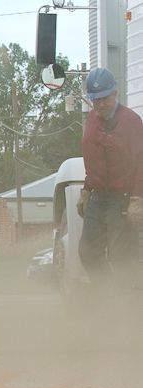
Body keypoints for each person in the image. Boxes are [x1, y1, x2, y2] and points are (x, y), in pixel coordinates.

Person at [78, 67, 143, 293]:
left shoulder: (132, 122)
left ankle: (128, 305)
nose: (100, 105)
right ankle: (107, 296)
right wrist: (86, 189)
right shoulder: (92, 121)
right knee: (87, 251)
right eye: (95, 100)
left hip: (122, 198)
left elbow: (140, 162)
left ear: (114, 93)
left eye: (104, 99)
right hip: (98, 196)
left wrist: (137, 198)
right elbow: (93, 158)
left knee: (121, 256)